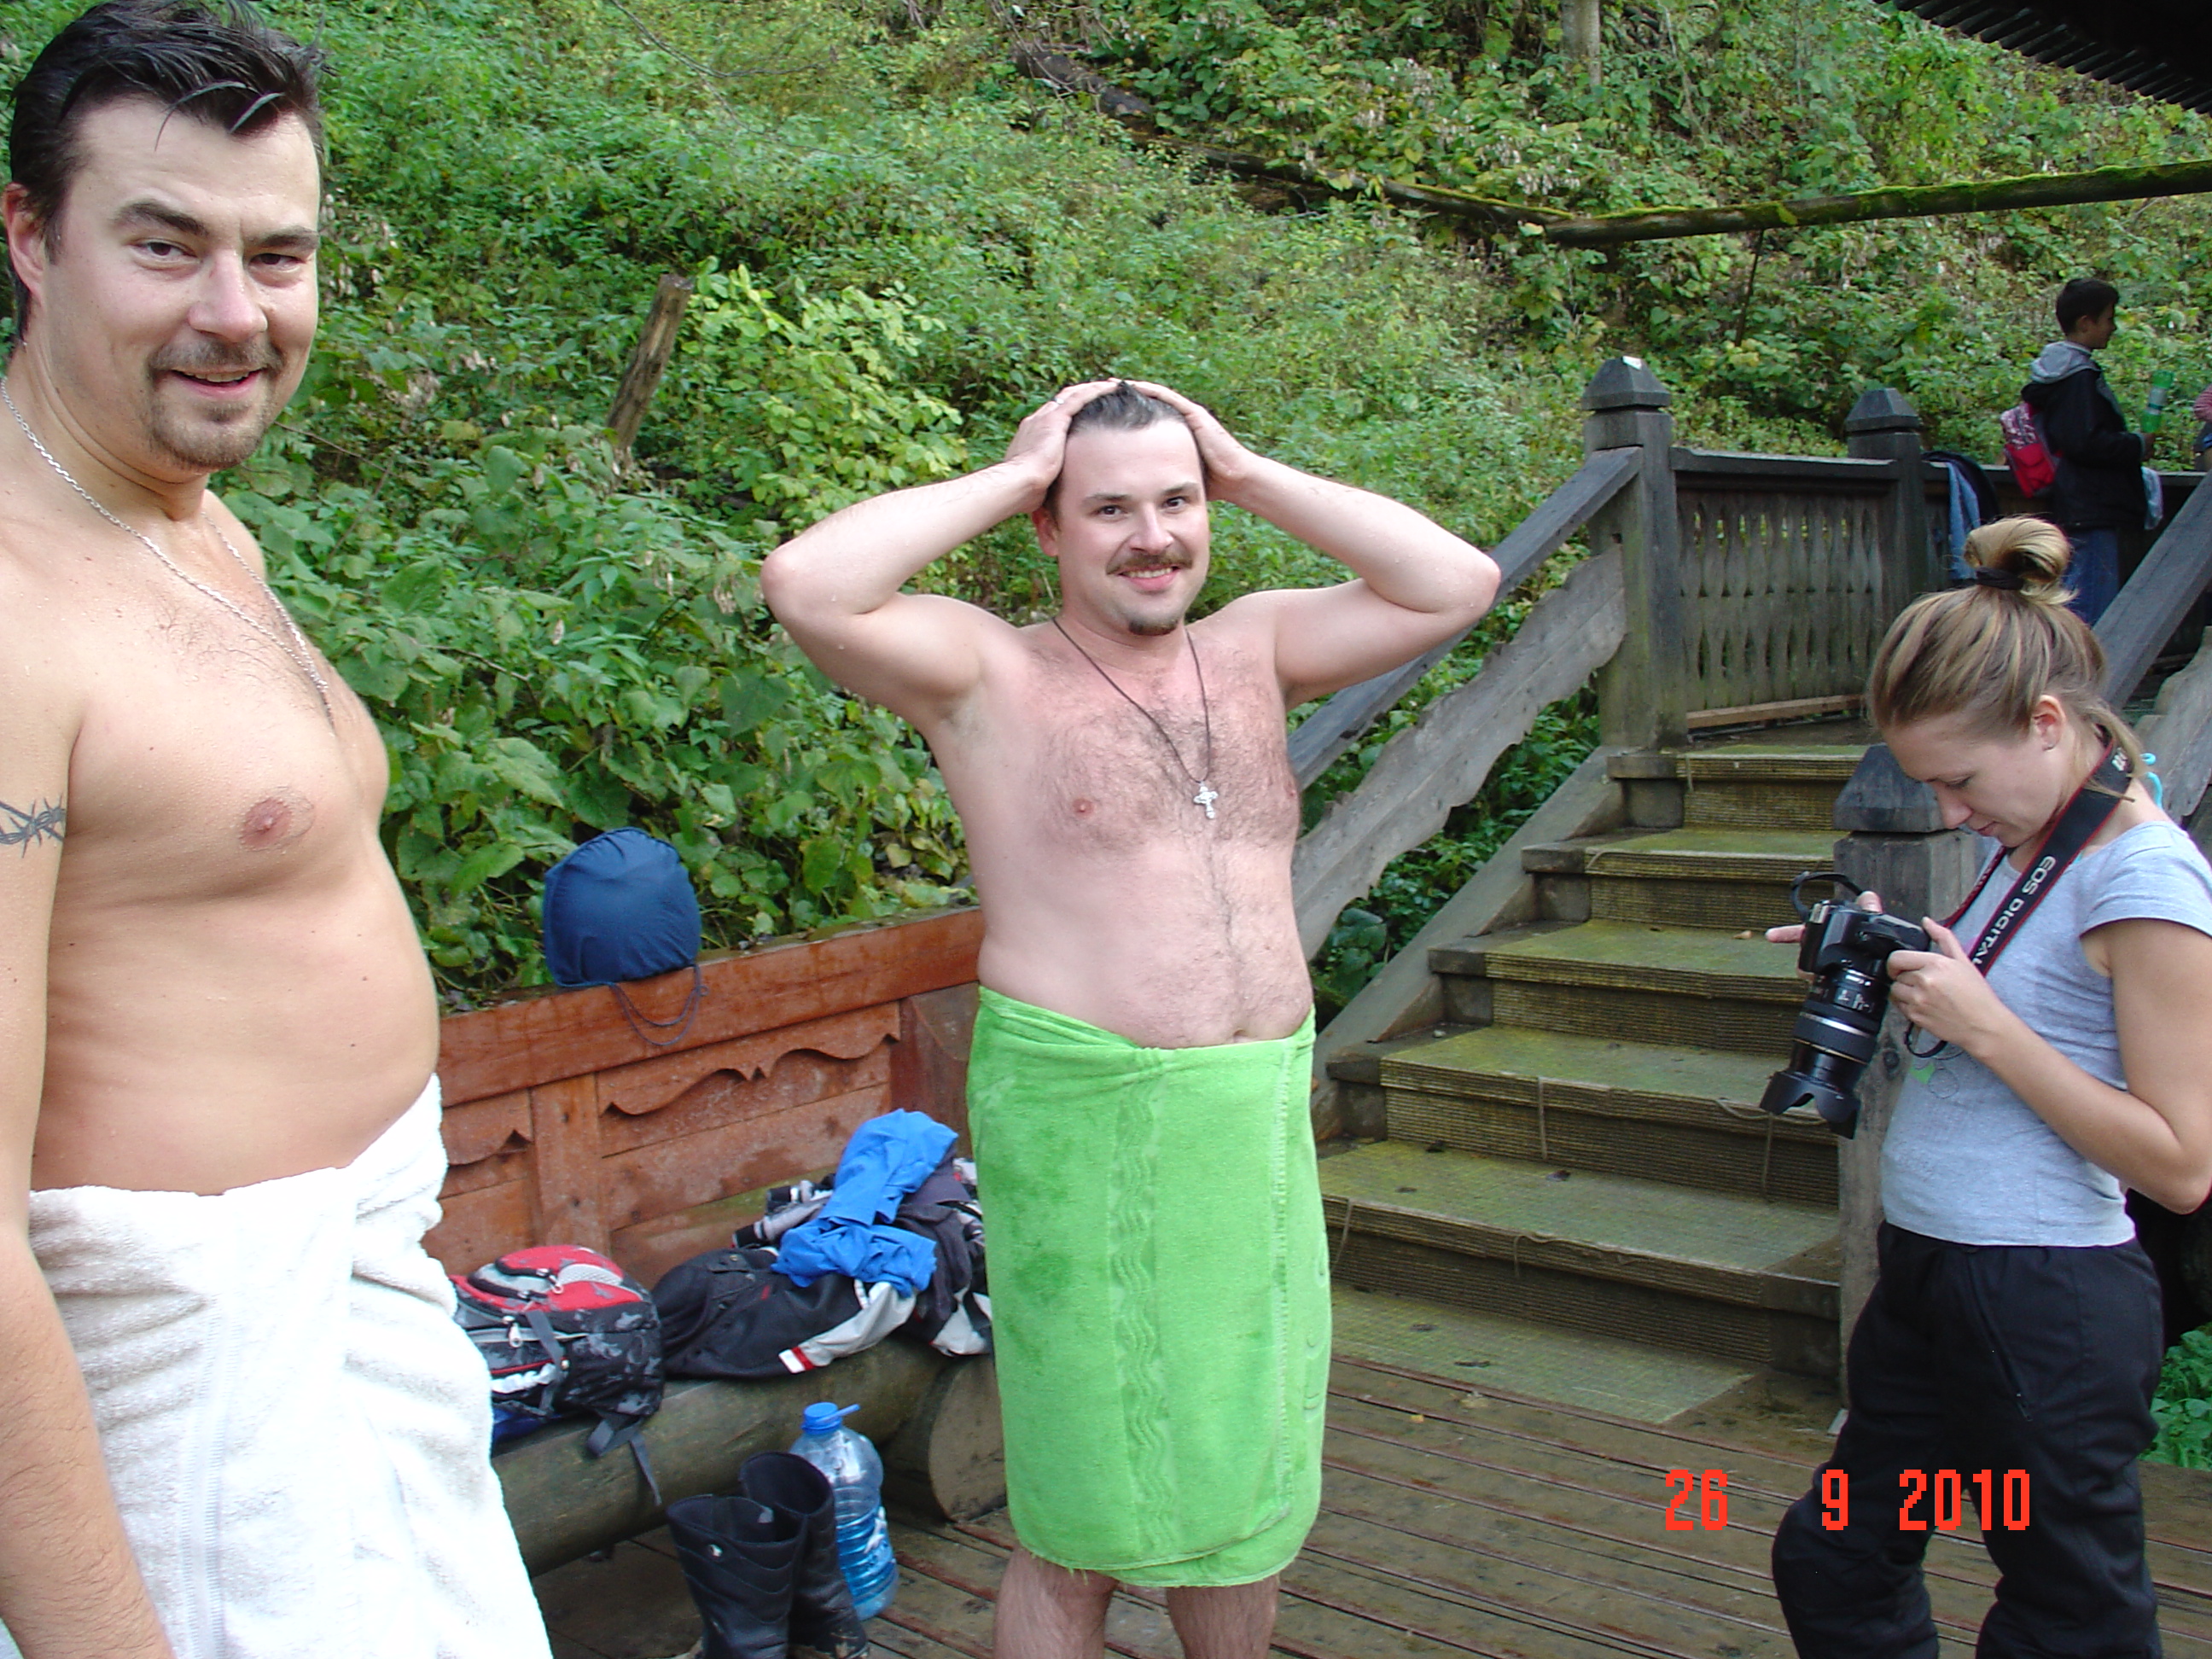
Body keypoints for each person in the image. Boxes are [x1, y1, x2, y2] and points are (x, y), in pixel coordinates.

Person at [761, 380, 1499, 1657]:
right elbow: (807, 583)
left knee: (1246, 1482)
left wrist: (1244, 466)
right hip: (1087, 1126)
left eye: (1177, 502)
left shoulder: (1258, 645)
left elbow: (1457, 583)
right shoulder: (987, 671)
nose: (1153, 536)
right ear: (1050, 528)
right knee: (1083, 1520)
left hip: (1248, 1120)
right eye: (1108, 509)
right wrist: (1016, 470)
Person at [0, 5, 547, 1656]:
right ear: (30, 235)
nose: (235, 314)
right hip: (187, 1433)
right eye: (164, 245)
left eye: (278, 254)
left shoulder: (190, 519)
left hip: (355, 1344)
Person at [1766, 515, 2212, 1656]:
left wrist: (1989, 1028)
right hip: (1932, 1277)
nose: (1952, 813)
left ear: (2048, 722)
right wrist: (1884, 948)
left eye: (1959, 782)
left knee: (2070, 1617)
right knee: (1837, 1555)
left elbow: (2181, 1165)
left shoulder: (2147, 881)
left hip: (2043, 1304)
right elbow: (2024, 988)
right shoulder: (2035, 842)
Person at [2020, 277, 2149, 624]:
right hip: (2090, 504)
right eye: (2109, 318)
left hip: (2075, 500)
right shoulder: (2077, 378)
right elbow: (2083, 441)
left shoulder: (2059, 374)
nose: (2113, 327)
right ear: (2086, 322)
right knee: (2090, 608)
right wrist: (2136, 445)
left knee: (2078, 598)